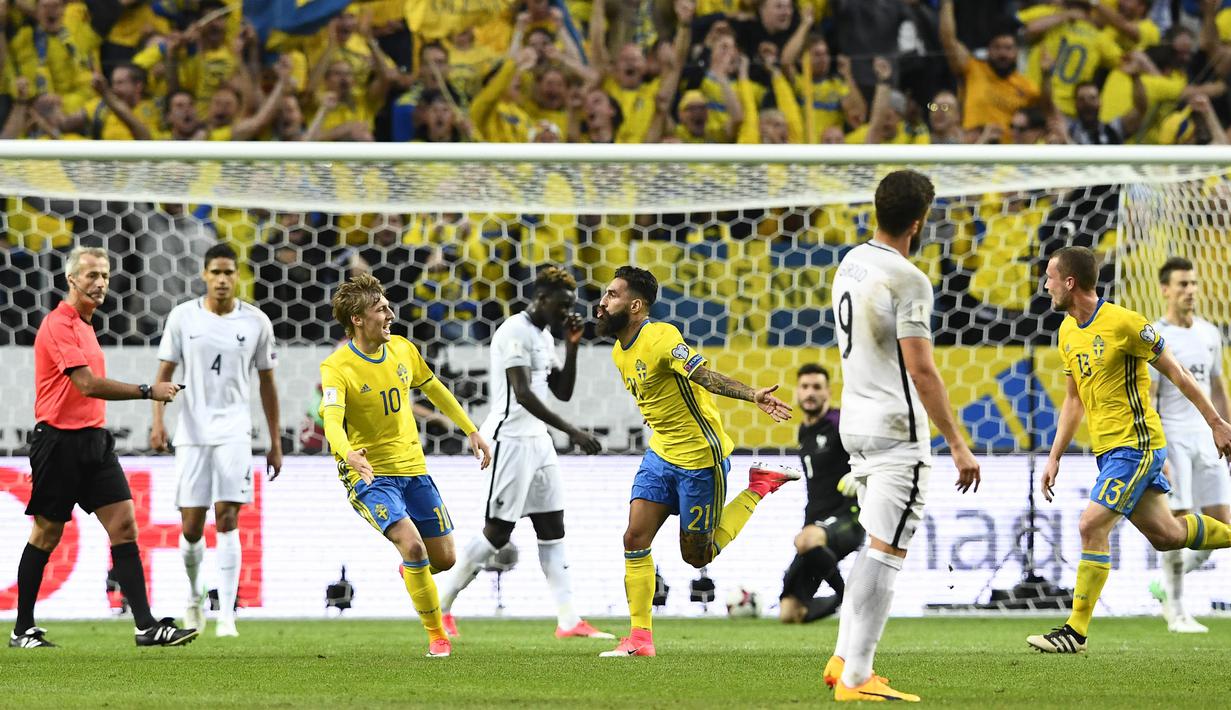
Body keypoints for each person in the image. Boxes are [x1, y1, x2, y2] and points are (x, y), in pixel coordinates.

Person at [823, 170, 981, 701]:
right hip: (896, 431)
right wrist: (957, 442)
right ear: (920, 221)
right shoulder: (909, 279)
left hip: (855, 424)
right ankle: (858, 677)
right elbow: (922, 369)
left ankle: (844, 657)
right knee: (887, 550)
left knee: (874, 542)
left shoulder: (851, 261)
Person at [1027, 246, 1231, 654]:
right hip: (1108, 451)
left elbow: (1179, 374)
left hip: (1136, 446)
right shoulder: (1068, 331)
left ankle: (1075, 632)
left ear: (1070, 282)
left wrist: (1215, 422)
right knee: (1168, 536)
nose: (1044, 285)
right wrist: (1053, 456)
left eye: (1050, 277)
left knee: (1091, 525)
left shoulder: (1126, 324)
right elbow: (1073, 400)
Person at [594, 265, 799, 658]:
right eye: (606, 294)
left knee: (697, 556)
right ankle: (640, 639)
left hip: (700, 461)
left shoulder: (660, 337)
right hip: (660, 454)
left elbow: (702, 376)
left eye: (613, 295)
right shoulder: (620, 352)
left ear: (636, 306)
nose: (603, 302)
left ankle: (759, 485)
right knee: (634, 537)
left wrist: (751, 394)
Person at [11, 246, 196, 648]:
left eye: (105, 276)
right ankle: (22, 628)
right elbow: (87, 385)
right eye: (91, 275)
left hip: (94, 441)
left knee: (125, 525)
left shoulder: (85, 325)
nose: (99, 283)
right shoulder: (58, 324)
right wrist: (149, 391)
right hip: (57, 442)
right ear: (71, 279)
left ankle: (145, 626)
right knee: (46, 533)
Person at [319, 274, 492, 658]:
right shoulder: (337, 367)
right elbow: (331, 419)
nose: (390, 314)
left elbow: (434, 389)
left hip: (413, 468)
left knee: (444, 559)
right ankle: (437, 637)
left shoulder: (402, 349)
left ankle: (412, 573)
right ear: (358, 319)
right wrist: (348, 452)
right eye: (380, 309)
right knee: (413, 547)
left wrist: (471, 430)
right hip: (370, 474)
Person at [438, 267, 611, 639]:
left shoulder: (546, 335)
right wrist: (572, 432)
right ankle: (441, 605)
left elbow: (561, 391)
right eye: (562, 305)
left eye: (571, 306)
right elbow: (523, 393)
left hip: (538, 441)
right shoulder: (514, 331)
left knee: (552, 528)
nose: (567, 312)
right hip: (509, 440)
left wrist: (574, 343)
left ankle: (568, 620)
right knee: (497, 533)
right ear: (541, 298)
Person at [149, 243, 283, 638]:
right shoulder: (183, 317)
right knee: (192, 526)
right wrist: (158, 422)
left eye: (229, 272)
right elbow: (164, 372)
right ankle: (193, 595)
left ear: (236, 275)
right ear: (205, 275)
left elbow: (268, 383)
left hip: (234, 433)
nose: (222, 279)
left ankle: (227, 613)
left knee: (228, 518)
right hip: (192, 433)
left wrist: (274, 441)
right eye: (216, 272)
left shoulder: (256, 322)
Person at [1147, 257, 1231, 633]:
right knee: (1178, 525)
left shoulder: (1210, 333)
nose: (1190, 291)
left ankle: (1164, 586)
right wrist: (1156, 448)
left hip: (1206, 438)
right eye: (1182, 284)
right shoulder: (1155, 336)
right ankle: (1177, 612)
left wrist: (1226, 428)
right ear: (1165, 289)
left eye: (1193, 284)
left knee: (1220, 528)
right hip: (1173, 437)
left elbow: (1218, 387)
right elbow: (1149, 397)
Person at [779, 364, 862, 625]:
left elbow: (871, 452)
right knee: (789, 614)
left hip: (848, 517)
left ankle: (849, 598)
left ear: (828, 392)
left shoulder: (840, 424)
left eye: (817, 387)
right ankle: (839, 604)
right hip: (814, 522)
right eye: (805, 387)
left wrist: (861, 472)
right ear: (797, 392)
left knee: (805, 541)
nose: (810, 393)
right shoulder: (804, 431)